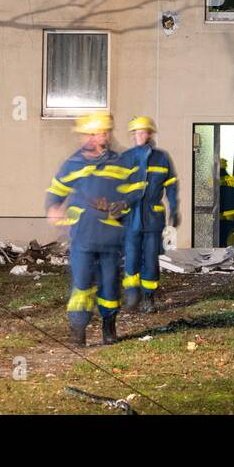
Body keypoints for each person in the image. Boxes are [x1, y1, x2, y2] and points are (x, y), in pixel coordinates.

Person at [44, 110, 143, 347]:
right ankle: (78, 331)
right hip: (83, 237)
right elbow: (56, 189)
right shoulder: (73, 163)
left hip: (111, 239)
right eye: (85, 134)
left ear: (105, 134)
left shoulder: (121, 162)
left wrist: (123, 204)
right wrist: (53, 207)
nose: (88, 138)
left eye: (94, 133)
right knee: (81, 285)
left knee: (109, 287)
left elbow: (136, 189)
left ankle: (109, 326)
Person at [118, 116, 179, 313]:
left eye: (143, 132)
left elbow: (171, 186)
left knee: (151, 259)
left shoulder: (162, 157)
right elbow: (115, 187)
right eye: (136, 132)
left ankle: (148, 298)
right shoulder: (126, 158)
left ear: (150, 134)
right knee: (132, 257)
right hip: (130, 215)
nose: (139, 136)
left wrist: (174, 210)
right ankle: (132, 294)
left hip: (153, 217)